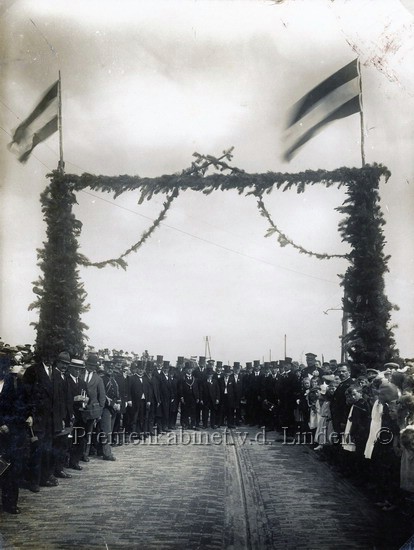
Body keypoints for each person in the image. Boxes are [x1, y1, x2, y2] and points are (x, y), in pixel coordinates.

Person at [0, 359, 31, 513]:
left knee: (11, 467)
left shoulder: (15, 385)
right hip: (4, 427)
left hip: (12, 431)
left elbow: (25, 404)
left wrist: (29, 415)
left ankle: (10, 503)